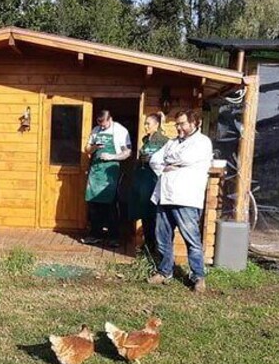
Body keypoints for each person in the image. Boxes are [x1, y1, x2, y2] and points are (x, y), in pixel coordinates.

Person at [146, 110, 213, 292]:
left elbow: (186, 158)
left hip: (186, 199)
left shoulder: (202, 142)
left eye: (182, 123)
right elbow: (154, 160)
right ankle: (165, 271)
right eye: (177, 124)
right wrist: (170, 165)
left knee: (192, 240)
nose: (178, 127)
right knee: (162, 238)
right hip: (165, 196)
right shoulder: (172, 142)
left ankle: (198, 276)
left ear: (195, 123)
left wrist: (171, 162)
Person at [82, 110, 132, 247]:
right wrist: (94, 147)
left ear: (110, 119)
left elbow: (127, 152)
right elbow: (87, 149)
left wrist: (112, 157)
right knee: (94, 204)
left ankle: (113, 237)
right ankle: (94, 235)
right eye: (100, 124)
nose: (102, 127)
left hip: (111, 172)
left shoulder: (121, 131)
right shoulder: (96, 130)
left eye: (104, 124)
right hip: (95, 172)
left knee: (110, 205)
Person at [128, 112, 169, 257]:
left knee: (154, 214)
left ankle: (156, 248)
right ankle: (147, 244)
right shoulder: (145, 140)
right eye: (145, 123)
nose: (145, 126)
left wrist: (151, 159)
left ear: (156, 125)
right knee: (144, 213)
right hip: (142, 179)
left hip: (154, 179)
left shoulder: (164, 141)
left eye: (148, 124)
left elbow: (166, 160)